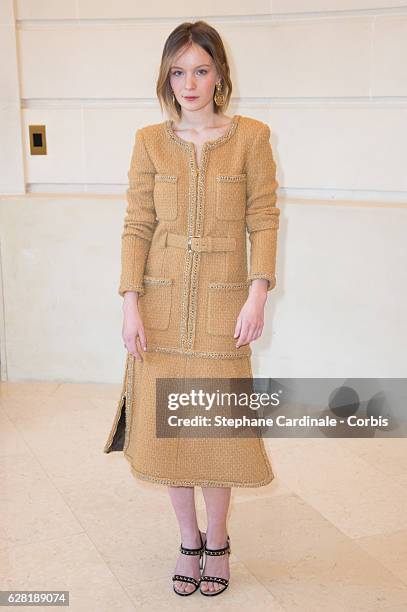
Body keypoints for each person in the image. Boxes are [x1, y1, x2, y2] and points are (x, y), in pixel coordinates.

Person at [103, 20, 280, 598]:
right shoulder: (149, 141)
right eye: (178, 72)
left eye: (201, 70)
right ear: (166, 77)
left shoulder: (251, 135)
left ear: (220, 74)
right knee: (171, 434)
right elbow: (136, 224)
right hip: (159, 304)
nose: (189, 82)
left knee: (217, 431)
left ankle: (220, 537)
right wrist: (130, 303)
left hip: (225, 308)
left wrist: (258, 293)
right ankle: (187, 539)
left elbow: (264, 218)